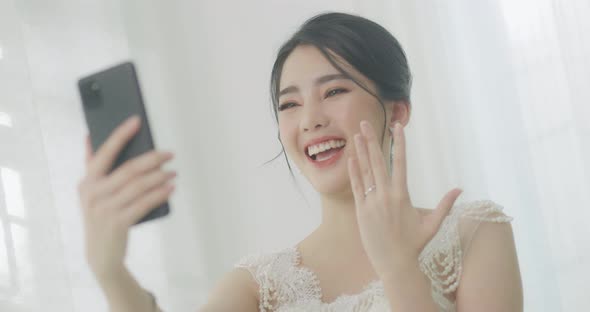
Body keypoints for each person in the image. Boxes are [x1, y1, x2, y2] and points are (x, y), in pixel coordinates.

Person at [78, 12, 523, 312]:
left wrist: (399, 269)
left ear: (398, 111)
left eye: (334, 92)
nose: (310, 119)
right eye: (289, 105)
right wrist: (110, 270)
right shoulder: (260, 285)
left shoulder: (477, 232)